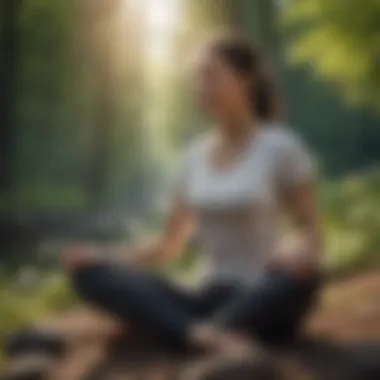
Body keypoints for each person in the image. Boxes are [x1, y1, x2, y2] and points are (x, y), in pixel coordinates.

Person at [62, 33, 322, 356]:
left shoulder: (281, 147)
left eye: (211, 75)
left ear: (245, 80)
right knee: (88, 275)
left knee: (302, 279)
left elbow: (309, 230)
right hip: (205, 296)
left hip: (263, 292)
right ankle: (207, 333)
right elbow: (167, 246)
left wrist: (296, 249)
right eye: (197, 79)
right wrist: (103, 256)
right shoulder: (192, 158)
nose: (201, 88)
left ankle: (196, 331)